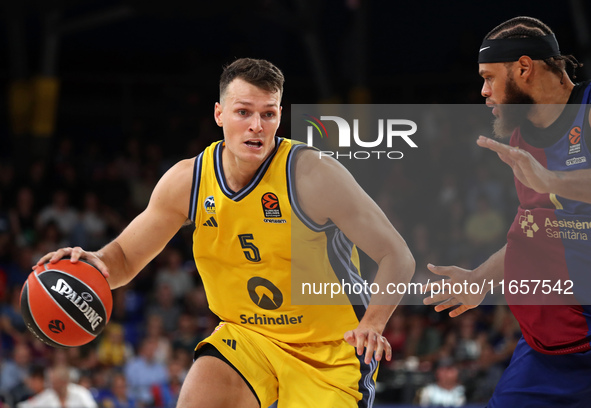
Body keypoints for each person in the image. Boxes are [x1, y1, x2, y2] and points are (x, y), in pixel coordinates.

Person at [36, 58, 415, 407]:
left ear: (279, 117)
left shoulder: (313, 175)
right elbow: (124, 258)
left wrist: (372, 324)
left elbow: (397, 256)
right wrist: (94, 262)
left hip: (329, 350)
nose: (256, 125)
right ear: (219, 114)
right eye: (243, 112)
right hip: (248, 338)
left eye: (268, 114)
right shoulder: (189, 181)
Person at [424, 16, 591, 407]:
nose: (483, 92)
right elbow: (534, 228)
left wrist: (553, 181)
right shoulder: (521, 139)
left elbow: (555, 186)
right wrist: (480, 278)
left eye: (488, 77)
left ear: (523, 68)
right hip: (548, 355)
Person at [17, 364, 97, 408]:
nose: (52, 385)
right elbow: (24, 405)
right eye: (51, 382)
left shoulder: (81, 393)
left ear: (64, 382)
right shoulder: (49, 394)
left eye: (55, 383)